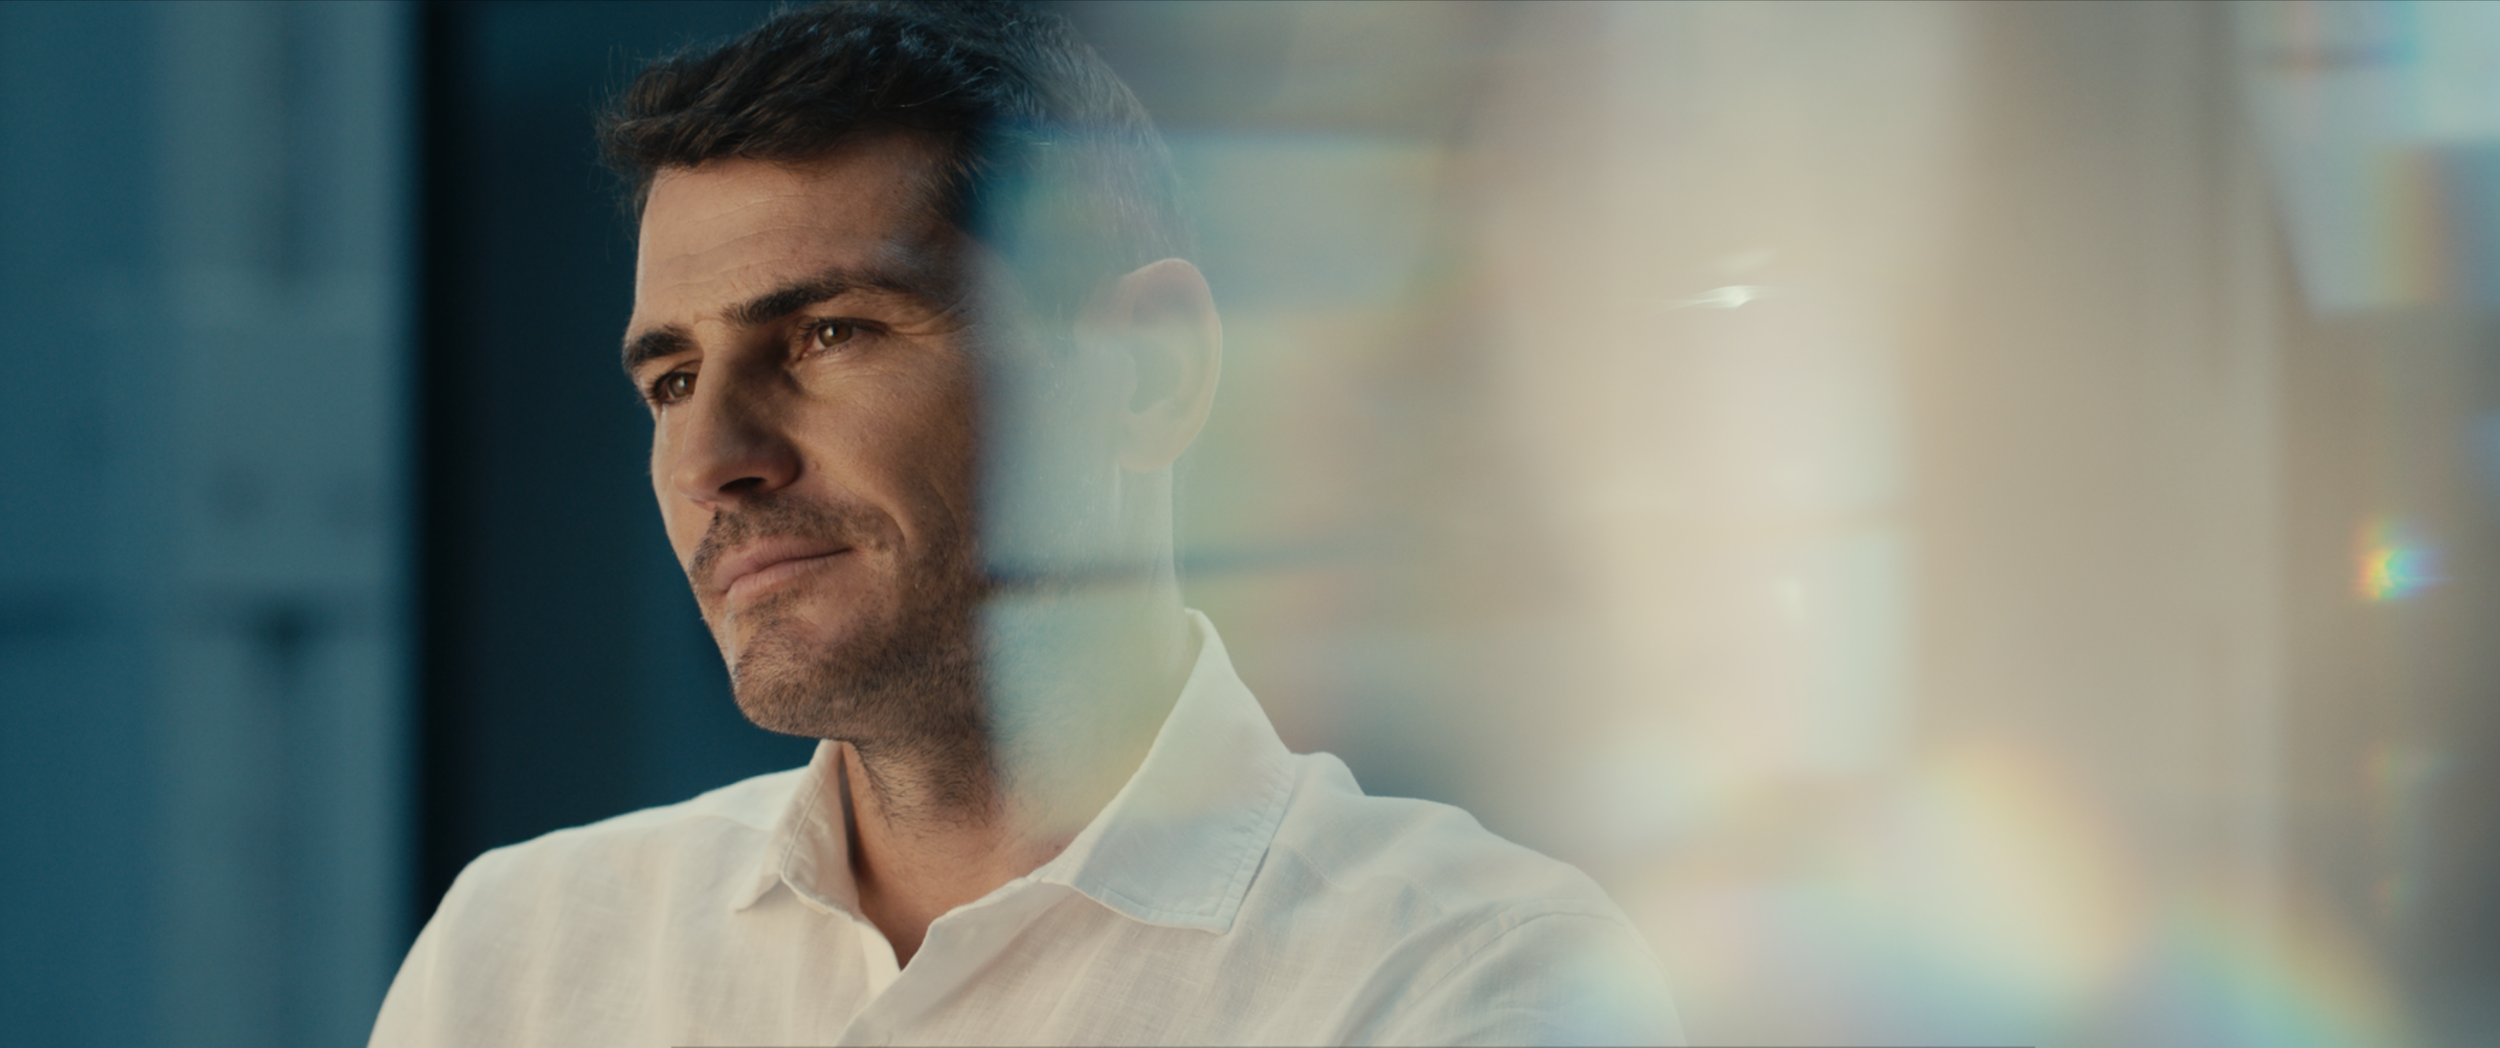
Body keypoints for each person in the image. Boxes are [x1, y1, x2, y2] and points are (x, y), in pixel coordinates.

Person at [369, 2, 1681, 1044]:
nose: (716, 457)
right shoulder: (525, 958)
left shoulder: (1463, 978)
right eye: (671, 379)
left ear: (1148, 368)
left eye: (829, 334)